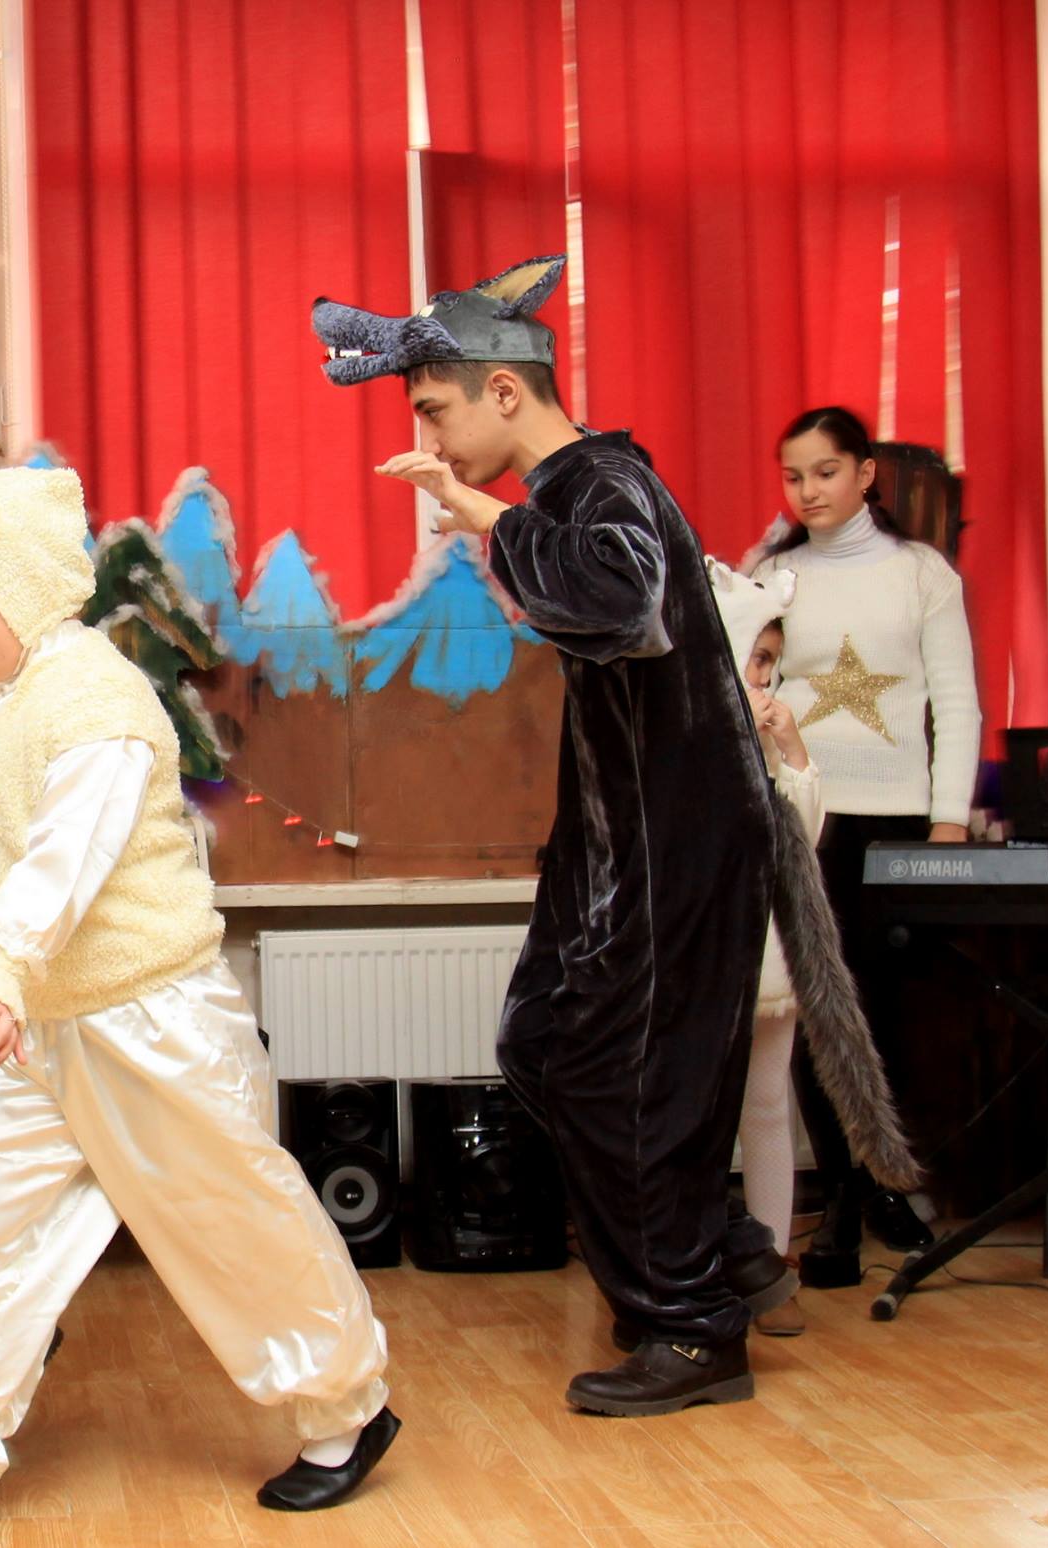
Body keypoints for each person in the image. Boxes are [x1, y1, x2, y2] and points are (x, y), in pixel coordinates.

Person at [0, 467, 396, 1533]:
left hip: (151, 1019)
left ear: (29, 582)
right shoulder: (0, 712)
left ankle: (344, 1411)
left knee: (232, 1225)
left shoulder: (99, 707)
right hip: (45, 1026)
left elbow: (60, 864)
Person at [317, 256, 786, 1416]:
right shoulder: (582, 487)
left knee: (627, 1072)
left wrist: (486, 514)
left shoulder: (599, 482)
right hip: (626, 837)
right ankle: (718, 1256)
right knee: (544, 1044)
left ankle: (690, 1327)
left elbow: (617, 602)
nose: (428, 437)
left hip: (674, 841)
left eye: (436, 409)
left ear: (504, 392)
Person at [752, 406, 981, 1285]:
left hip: (898, 820)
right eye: (793, 476)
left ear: (865, 473)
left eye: (825, 472)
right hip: (805, 816)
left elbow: (955, 701)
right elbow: (748, 687)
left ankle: (889, 1183)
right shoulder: (773, 577)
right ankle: (842, 1201)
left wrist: (948, 819)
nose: (808, 491)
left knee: (888, 1009)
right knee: (816, 1008)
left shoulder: (921, 574)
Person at [710, 564, 820, 1337]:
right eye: (752, 657)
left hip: (771, 952)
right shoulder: (697, 729)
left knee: (768, 1105)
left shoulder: (775, 739)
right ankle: (705, 1267)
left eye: (770, 663)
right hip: (712, 948)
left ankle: (772, 1267)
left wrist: (792, 750)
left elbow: (803, 838)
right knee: (703, 1112)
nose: (762, 676)